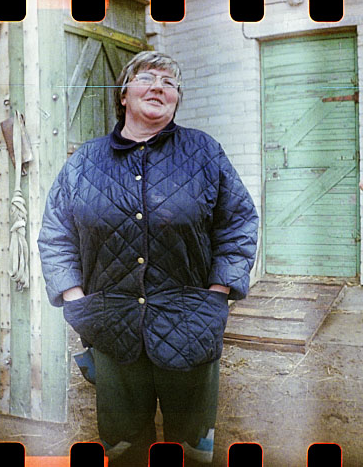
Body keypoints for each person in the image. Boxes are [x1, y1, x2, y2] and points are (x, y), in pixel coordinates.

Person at [37, 51, 259, 467]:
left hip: (192, 324)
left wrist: (217, 294)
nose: (158, 87)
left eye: (169, 83)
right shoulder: (84, 162)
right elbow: (56, 234)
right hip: (111, 325)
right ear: (123, 95)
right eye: (147, 78)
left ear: (176, 100)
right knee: (124, 449)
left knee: (191, 449)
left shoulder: (204, 153)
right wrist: (74, 299)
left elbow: (239, 223)